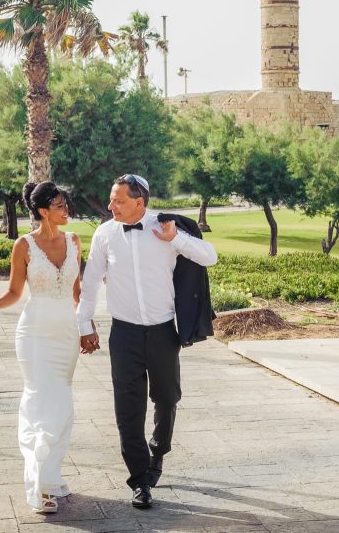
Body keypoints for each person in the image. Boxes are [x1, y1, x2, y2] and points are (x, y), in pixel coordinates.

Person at [77, 174, 217, 509]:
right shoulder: (105, 233)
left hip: (162, 332)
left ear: (140, 202)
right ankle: (140, 480)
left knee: (167, 398)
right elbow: (92, 279)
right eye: (111, 199)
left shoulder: (167, 227)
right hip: (123, 334)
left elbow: (209, 256)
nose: (111, 206)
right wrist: (83, 322)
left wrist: (177, 239)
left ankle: (159, 450)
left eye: (119, 201)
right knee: (128, 410)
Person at [0, 181, 91, 514]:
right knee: (39, 400)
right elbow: (14, 293)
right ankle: (39, 487)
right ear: (42, 211)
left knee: (62, 404)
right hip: (34, 332)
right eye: (59, 205)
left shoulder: (74, 241)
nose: (66, 209)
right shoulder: (24, 246)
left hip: (66, 332)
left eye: (65, 203)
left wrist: (87, 328)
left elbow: (78, 293)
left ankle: (49, 476)